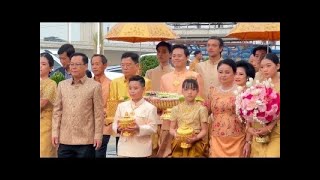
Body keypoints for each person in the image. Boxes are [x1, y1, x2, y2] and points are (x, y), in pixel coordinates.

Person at [52, 52, 104, 158]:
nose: (74, 67)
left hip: (86, 140)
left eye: (77, 64)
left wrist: (98, 135)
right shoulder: (62, 85)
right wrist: (54, 132)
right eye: (72, 64)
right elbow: (57, 111)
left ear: (85, 66)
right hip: (65, 139)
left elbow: (98, 114)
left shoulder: (95, 86)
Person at [158, 44, 204, 157]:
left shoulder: (195, 76)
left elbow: (200, 100)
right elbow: (161, 100)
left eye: (179, 55)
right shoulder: (164, 78)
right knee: (166, 152)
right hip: (168, 123)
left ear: (187, 57)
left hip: (189, 124)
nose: (176, 58)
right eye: (174, 56)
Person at [107, 52, 152, 155]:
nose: (125, 67)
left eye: (128, 65)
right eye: (122, 65)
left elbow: (148, 102)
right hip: (122, 126)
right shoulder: (115, 82)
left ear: (137, 66)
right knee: (123, 150)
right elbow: (112, 104)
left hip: (139, 123)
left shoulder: (146, 82)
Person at [207, 59, 247, 157]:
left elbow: (249, 118)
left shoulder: (242, 91)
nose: (223, 75)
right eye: (220, 72)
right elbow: (207, 112)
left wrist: (249, 141)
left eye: (227, 72)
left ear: (234, 73)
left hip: (237, 138)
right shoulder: (212, 91)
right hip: (216, 136)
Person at [112, 75, 158, 157]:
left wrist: (138, 128)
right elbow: (115, 123)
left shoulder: (150, 108)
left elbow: (153, 128)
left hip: (141, 150)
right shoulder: (121, 106)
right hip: (124, 149)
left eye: (136, 88)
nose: (132, 91)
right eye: (130, 88)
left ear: (143, 89)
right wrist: (118, 129)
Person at [248, 53, 280, 157]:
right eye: (262, 67)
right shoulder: (257, 86)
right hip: (258, 130)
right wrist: (249, 128)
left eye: (268, 66)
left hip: (276, 131)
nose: (265, 69)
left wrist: (270, 126)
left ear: (278, 66)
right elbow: (249, 109)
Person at [169, 79, 208, 157]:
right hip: (179, 143)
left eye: (193, 89)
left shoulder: (202, 109)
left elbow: (204, 130)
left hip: (196, 142)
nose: (190, 92)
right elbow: (171, 129)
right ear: (182, 91)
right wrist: (176, 135)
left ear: (197, 91)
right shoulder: (176, 108)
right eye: (186, 89)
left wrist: (195, 138)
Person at [90, 54, 113, 158]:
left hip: (104, 125)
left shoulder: (111, 84)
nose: (94, 67)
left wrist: (100, 112)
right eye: (92, 64)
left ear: (105, 65)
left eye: (97, 64)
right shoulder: (87, 84)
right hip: (88, 126)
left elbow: (112, 106)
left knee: (99, 153)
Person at [234, 60, 256, 157]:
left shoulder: (252, 94)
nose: (237, 76)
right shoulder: (233, 91)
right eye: (235, 73)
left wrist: (248, 142)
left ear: (248, 77)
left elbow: (250, 121)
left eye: (241, 74)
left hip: (244, 135)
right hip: (230, 134)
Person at [40, 52, 57, 157]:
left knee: (44, 152)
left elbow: (42, 103)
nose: (40, 66)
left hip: (46, 123)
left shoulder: (51, 83)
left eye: (43, 64)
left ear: (51, 68)